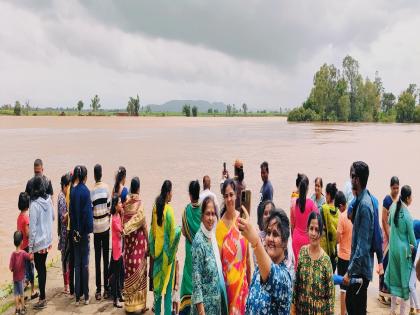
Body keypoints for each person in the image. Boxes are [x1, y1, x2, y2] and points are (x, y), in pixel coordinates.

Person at [240, 207, 293, 315]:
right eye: (268, 233)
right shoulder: (259, 269)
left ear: (284, 242)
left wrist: (255, 242)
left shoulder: (285, 279)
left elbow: (271, 274)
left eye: (275, 234)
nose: (270, 239)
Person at [343, 161, 374, 315]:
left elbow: (362, 248)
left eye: (352, 176)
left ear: (357, 180)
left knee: (354, 307)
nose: (350, 179)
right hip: (358, 268)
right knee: (354, 306)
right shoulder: (361, 199)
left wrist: (349, 273)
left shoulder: (365, 207)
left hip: (359, 271)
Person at [216, 179, 250, 314]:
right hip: (227, 290)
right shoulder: (219, 228)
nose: (229, 199)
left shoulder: (242, 221)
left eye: (231, 194)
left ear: (236, 195)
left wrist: (250, 281)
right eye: (226, 196)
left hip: (243, 287)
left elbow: (247, 258)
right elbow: (218, 265)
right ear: (224, 198)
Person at [191, 196, 228, 315]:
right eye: (208, 214)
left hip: (215, 307)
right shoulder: (199, 241)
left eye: (213, 214)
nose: (211, 218)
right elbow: (196, 282)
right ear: (202, 216)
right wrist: (202, 312)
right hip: (204, 309)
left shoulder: (211, 237)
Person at [292, 211, 334, 314]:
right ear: (307, 229)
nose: (314, 233)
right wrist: (292, 308)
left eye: (317, 229)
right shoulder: (302, 252)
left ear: (321, 232)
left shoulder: (326, 261)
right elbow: (296, 283)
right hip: (300, 311)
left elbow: (330, 297)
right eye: (311, 229)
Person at [149, 180, 181, 315]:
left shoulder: (156, 207)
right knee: (167, 292)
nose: (172, 195)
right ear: (168, 193)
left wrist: (152, 251)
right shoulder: (169, 212)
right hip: (167, 259)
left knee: (157, 290)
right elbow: (173, 236)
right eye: (171, 192)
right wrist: (179, 229)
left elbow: (152, 231)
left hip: (157, 255)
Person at [385, 185, 416, 315]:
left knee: (394, 281)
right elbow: (413, 239)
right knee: (404, 284)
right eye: (411, 196)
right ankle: (402, 313)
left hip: (393, 250)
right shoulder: (408, 216)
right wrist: (413, 246)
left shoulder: (392, 207)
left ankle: (392, 311)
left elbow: (389, 222)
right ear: (408, 198)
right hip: (403, 253)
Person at [123, 177, 149, 313]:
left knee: (128, 275)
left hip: (128, 250)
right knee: (141, 275)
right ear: (138, 188)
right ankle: (142, 307)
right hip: (138, 248)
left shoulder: (125, 205)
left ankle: (129, 307)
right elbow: (144, 227)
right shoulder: (140, 205)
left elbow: (123, 227)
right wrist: (149, 244)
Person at [28, 176, 54, 309]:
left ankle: (42, 298)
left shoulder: (34, 205)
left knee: (41, 269)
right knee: (42, 267)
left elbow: (32, 230)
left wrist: (30, 249)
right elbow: (53, 217)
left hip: (38, 244)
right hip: (47, 242)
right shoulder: (49, 200)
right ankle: (43, 296)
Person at [70, 166, 93, 305]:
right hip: (83, 234)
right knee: (85, 264)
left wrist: (75, 229)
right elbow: (87, 215)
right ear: (85, 176)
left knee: (77, 264)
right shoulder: (86, 192)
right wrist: (87, 231)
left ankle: (77, 297)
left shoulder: (72, 191)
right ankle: (85, 296)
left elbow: (71, 213)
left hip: (75, 233)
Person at [180, 180, 201, 315]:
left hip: (189, 249)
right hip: (200, 249)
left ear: (189, 195)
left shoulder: (186, 210)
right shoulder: (204, 210)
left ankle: (187, 308)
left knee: (188, 276)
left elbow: (183, 231)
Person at [90, 164, 111, 300]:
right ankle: (107, 289)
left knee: (97, 258)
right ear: (101, 174)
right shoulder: (107, 188)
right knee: (105, 258)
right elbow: (109, 208)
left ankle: (98, 290)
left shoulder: (91, 191)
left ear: (94, 175)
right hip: (105, 227)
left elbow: (91, 211)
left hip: (96, 228)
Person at [379, 176, 400, 304]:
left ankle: (391, 293)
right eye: (394, 188)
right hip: (387, 235)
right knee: (385, 262)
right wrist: (389, 236)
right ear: (390, 187)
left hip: (394, 234)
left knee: (393, 265)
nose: (396, 190)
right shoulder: (387, 200)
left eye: (397, 188)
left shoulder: (397, 200)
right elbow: (383, 219)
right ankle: (382, 293)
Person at [290, 174, 318, 266]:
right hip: (306, 239)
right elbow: (318, 217)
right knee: (307, 266)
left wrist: (293, 236)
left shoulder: (295, 202)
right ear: (307, 188)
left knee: (297, 265)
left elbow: (292, 223)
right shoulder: (310, 203)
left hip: (296, 237)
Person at [16, 192, 38, 301]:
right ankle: (33, 291)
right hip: (26, 248)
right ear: (27, 204)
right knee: (30, 270)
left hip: (20, 247)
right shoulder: (26, 218)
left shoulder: (19, 217)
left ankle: (22, 293)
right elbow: (28, 234)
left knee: (23, 271)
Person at [336, 191, 352, 315]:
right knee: (350, 287)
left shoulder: (342, 217)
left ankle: (342, 313)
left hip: (342, 256)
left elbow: (337, 239)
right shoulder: (353, 214)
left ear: (341, 205)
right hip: (352, 257)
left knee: (342, 289)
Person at [10, 231, 33, 315]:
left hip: (15, 278)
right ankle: (23, 309)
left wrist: (14, 269)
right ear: (22, 242)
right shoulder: (23, 253)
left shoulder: (12, 254)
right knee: (22, 294)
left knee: (16, 294)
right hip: (21, 279)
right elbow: (30, 258)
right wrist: (32, 251)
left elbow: (10, 268)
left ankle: (17, 310)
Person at [320, 182, 339, 272]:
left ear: (328, 194)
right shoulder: (338, 210)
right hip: (334, 252)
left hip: (324, 250)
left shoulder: (323, 209)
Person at [57, 174, 70, 294]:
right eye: (68, 186)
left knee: (66, 259)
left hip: (66, 232)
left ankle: (67, 283)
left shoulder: (64, 195)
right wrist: (70, 211)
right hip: (64, 233)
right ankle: (66, 285)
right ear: (65, 186)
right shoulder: (62, 198)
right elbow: (63, 218)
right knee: (65, 259)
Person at [110, 195, 124, 308]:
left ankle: (119, 295)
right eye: (119, 203)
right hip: (116, 251)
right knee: (116, 275)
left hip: (119, 249)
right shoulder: (115, 219)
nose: (121, 204)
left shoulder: (117, 216)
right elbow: (122, 230)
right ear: (115, 206)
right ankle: (115, 299)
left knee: (119, 273)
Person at [257, 161, 274, 231]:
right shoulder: (263, 185)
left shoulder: (268, 187)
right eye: (261, 173)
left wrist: (267, 223)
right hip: (261, 222)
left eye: (264, 173)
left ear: (268, 172)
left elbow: (270, 207)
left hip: (265, 223)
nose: (262, 175)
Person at [410, 220, 420, 315]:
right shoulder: (415, 240)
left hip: (414, 267)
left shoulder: (417, 242)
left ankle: (417, 307)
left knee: (410, 286)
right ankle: (411, 308)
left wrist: (412, 248)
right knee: (412, 287)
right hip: (414, 267)